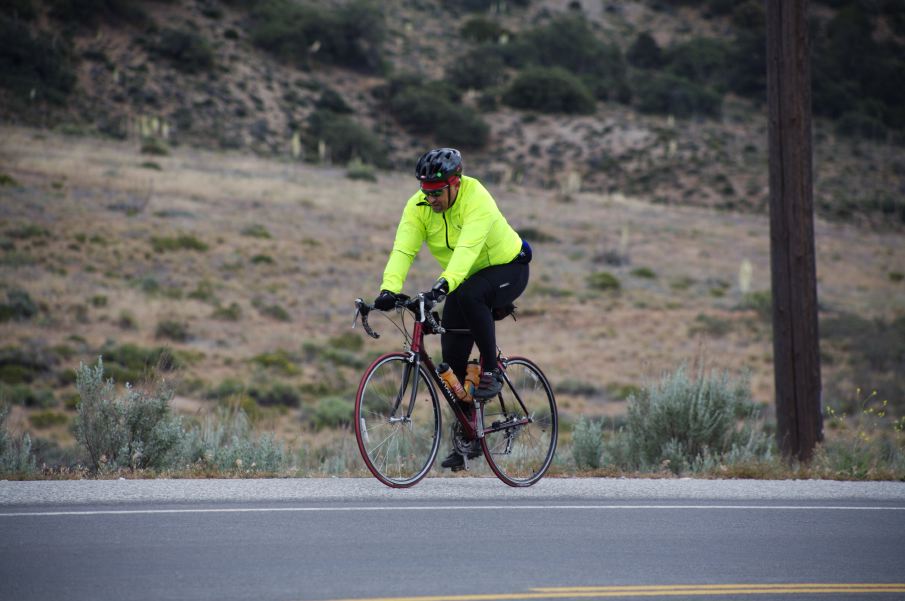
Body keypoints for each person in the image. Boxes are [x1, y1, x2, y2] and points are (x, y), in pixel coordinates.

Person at [373, 147, 532, 470]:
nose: (430, 199)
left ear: (456, 182)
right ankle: (468, 438)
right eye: (425, 192)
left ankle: (491, 370)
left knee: (472, 294)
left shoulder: (478, 199)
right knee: (452, 364)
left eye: (436, 192)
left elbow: (466, 251)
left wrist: (442, 287)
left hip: (508, 268)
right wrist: (389, 288)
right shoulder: (418, 207)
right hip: (461, 277)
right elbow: (403, 249)